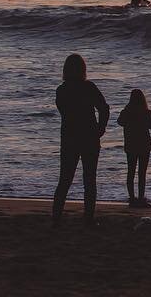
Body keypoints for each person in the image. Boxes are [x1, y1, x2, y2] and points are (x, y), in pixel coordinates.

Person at [51, 53, 109, 227]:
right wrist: (101, 127)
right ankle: (88, 219)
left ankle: (56, 218)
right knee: (89, 179)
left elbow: (63, 112)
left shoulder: (61, 90)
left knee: (65, 179)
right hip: (89, 136)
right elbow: (104, 108)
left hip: (69, 137)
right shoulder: (89, 87)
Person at [116, 88, 151, 208]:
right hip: (144, 145)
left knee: (131, 172)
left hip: (130, 145)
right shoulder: (146, 112)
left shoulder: (126, 111)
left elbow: (120, 122)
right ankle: (140, 198)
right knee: (142, 173)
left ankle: (132, 198)